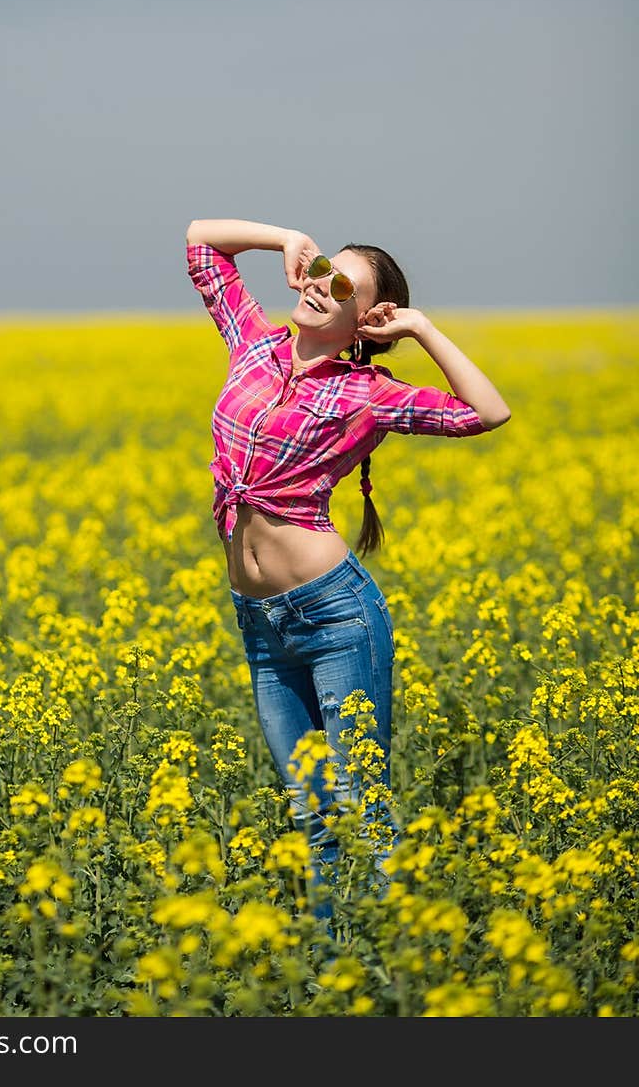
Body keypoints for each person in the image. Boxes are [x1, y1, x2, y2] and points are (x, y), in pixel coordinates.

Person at [185, 218, 511, 925]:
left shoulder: (370, 392)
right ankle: (340, 965)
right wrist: (287, 238)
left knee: (361, 800)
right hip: (260, 623)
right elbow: (201, 244)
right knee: (311, 806)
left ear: (368, 319)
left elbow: (487, 412)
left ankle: (394, 956)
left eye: (343, 287)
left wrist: (421, 328)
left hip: (334, 616)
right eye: (323, 269)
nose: (320, 285)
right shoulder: (253, 343)